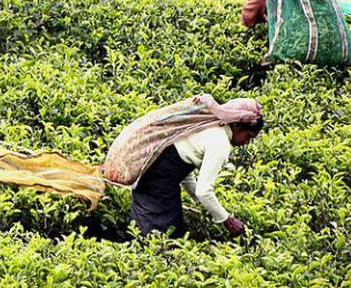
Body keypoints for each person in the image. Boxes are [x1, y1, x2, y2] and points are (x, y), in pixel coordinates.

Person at [102, 95, 263, 238]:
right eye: (248, 136)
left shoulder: (208, 127)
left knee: (151, 230)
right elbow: (204, 191)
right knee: (162, 236)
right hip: (158, 180)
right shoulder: (220, 143)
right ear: (237, 126)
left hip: (151, 174)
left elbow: (183, 171)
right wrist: (227, 220)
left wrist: (204, 206)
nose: (246, 143)